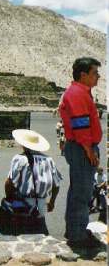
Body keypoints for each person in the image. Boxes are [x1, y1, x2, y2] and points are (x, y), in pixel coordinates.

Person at [59, 57, 104, 249]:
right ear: (83, 75)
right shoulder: (77, 93)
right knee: (83, 191)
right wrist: (89, 151)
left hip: (79, 147)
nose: (98, 76)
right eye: (95, 73)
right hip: (81, 148)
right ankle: (78, 235)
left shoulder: (80, 92)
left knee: (78, 189)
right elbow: (80, 125)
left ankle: (74, 228)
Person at [0, 129, 61, 235]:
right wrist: (52, 202)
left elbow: (9, 182)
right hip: (41, 205)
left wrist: (9, 198)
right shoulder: (49, 160)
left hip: (23, 204)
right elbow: (56, 185)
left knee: (21, 232)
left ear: (24, 145)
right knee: (39, 229)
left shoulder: (19, 159)